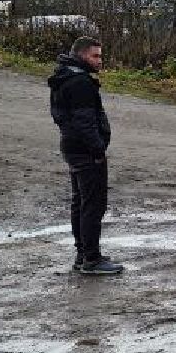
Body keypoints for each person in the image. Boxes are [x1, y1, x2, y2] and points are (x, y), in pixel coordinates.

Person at [49, 36, 123, 276]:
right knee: (92, 205)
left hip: (72, 147)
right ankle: (91, 258)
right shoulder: (80, 82)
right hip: (85, 151)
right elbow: (85, 122)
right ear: (81, 56)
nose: (100, 61)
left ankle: (83, 254)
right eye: (95, 56)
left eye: (100, 56)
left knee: (80, 202)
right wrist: (98, 148)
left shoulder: (64, 77)